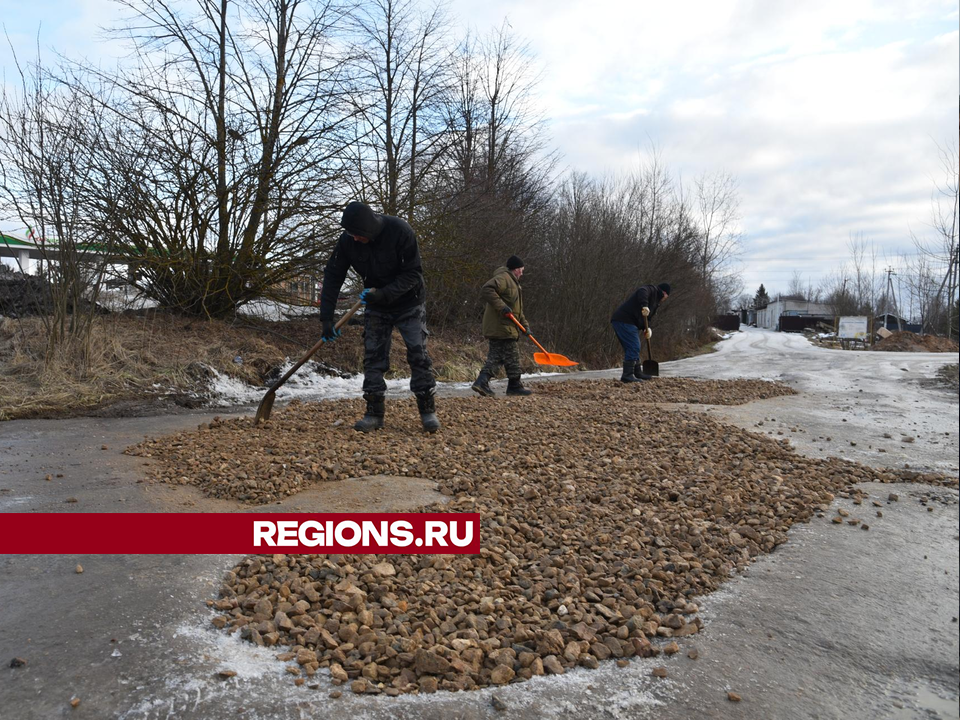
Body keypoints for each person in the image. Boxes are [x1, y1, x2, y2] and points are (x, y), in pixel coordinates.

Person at [319, 201, 439, 433]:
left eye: (358, 234)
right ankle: (374, 413)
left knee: (418, 353)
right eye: (350, 233)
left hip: (408, 301)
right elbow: (333, 275)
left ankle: (427, 410)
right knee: (373, 356)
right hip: (376, 305)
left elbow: (413, 273)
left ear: (370, 230)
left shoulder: (400, 231)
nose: (353, 238)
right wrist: (326, 318)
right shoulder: (348, 241)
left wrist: (384, 294)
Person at [471, 255, 533, 397]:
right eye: (521, 270)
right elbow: (487, 289)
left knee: (504, 357)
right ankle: (488, 383)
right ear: (516, 269)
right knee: (506, 356)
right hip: (501, 326)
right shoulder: (504, 278)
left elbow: (517, 311)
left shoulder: (514, 283)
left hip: (507, 327)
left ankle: (511, 385)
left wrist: (525, 327)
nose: (522, 273)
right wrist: (502, 307)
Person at [610, 282, 671, 382]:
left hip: (628, 322)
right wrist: (644, 305)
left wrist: (646, 328)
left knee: (633, 346)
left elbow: (645, 318)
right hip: (624, 320)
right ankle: (627, 375)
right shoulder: (652, 290)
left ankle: (637, 372)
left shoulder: (655, 303)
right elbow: (642, 291)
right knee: (634, 346)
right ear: (665, 294)